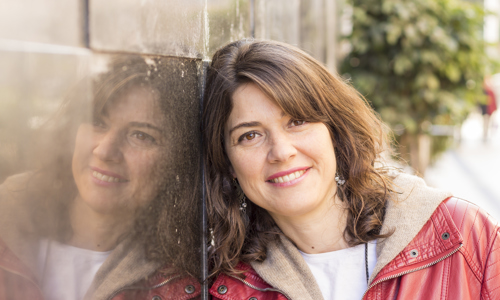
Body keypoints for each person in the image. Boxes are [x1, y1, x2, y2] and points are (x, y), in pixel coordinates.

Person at [202, 39, 500, 300]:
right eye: (249, 135)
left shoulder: (465, 237)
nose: (281, 152)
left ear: (334, 130)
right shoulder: (223, 288)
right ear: (228, 163)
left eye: (297, 121)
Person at [0, 56, 201, 300]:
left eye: (140, 135)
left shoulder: (188, 275)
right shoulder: (8, 220)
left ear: (178, 161)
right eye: (97, 122)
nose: (105, 151)